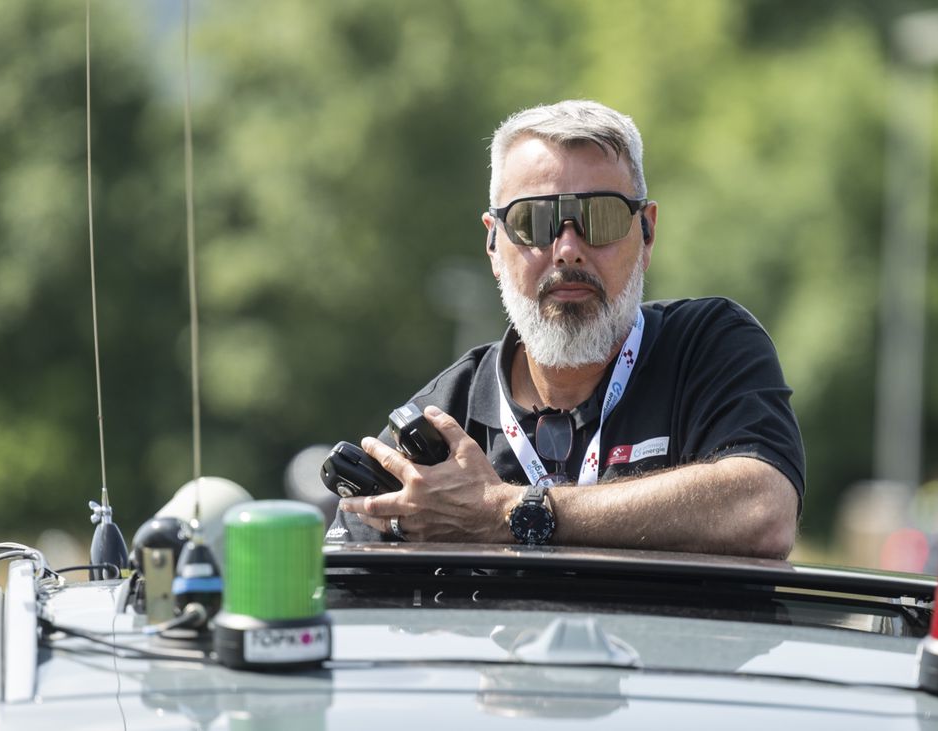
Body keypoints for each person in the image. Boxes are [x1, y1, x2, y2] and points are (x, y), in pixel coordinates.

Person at [337, 100, 804, 559]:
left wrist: (505, 513)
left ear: (647, 233)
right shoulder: (440, 423)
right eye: (533, 221)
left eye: (599, 217)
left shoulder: (708, 346)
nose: (566, 250)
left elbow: (764, 511)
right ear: (493, 244)